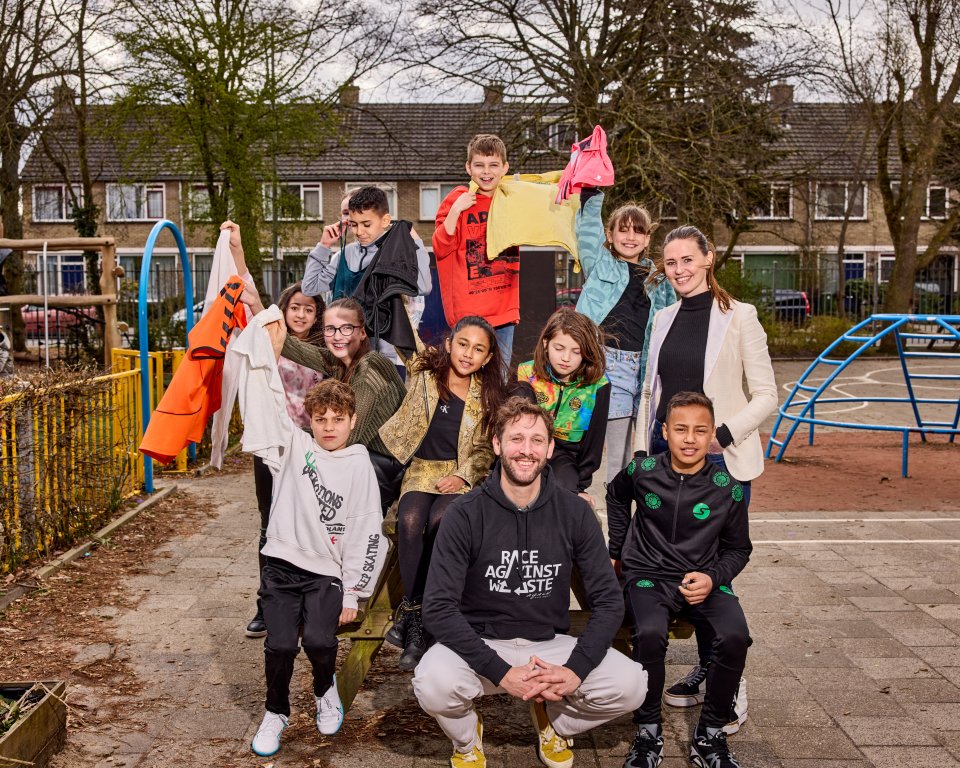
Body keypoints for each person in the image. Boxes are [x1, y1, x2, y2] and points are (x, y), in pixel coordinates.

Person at [413, 396, 647, 768]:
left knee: (632, 684)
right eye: (516, 439)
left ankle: (556, 722)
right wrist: (502, 674)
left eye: (537, 440)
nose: (526, 450)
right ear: (497, 444)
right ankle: (466, 739)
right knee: (431, 682)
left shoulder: (574, 512)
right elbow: (438, 609)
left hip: (547, 645)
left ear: (551, 448)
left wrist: (575, 671)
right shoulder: (464, 514)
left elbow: (608, 601)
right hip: (482, 642)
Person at [634, 224, 776, 733]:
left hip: (719, 462)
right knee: (673, 570)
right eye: (670, 263)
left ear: (709, 258)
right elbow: (652, 395)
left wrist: (722, 433)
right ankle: (708, 666)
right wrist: (641, 455)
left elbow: (766, 394)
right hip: (665, 462)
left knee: (714, 579)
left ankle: (728, 684)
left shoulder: (741, 317)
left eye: (688, 260)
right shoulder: (665, 316)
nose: (679, 270)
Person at [231, 307, 387, 758]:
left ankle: (325, 690)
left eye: (339, 419)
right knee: (279, 644)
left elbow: (366, 531)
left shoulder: (360, 464)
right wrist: (264, 334)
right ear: (310, 419)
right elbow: (265, 402)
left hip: (327, 573)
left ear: (352, 421)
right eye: (322, 419)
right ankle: (275, 711)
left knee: (320, 640)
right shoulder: (294, 447)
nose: (330, 427)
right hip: (281, 566)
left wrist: (355, 592)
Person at [608, 391, 752, 768]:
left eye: (700, 431)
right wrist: (619, 548)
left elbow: (739, 550)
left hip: (703, 578)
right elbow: (615, 495)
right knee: (650, 634)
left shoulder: (728, 487)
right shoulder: (642, 471)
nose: (690, 438)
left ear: (711, 436)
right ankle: (648, 732)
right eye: (681, 429)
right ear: (665, 431)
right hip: (647, 576)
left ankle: (710, 735)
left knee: (735, 636)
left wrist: (711, 576)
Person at [378, 316, 506, 670]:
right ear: (449, 344)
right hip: (421, 469)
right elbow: (403, 331)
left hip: (459, 472)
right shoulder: (424, 371)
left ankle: (429, 610)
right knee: (410, 519)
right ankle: (415, 614)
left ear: (489, 357)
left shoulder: (487, 393)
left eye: (478, 349)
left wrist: (464, 477)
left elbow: (484, 449)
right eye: (462, 344)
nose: (468, 354)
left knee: (442, 519)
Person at [574, 190, 675, 485]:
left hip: (644, 371)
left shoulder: (658, 277)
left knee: (643, 451)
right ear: (610, 234)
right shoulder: (600, 264)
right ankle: (617, 520)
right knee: (618, 455)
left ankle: (641, 515)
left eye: (639, 231)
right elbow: (587, 233)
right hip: (610, 365)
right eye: (623, 230)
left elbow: (667, 321)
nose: (631, 237)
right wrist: (592, 196)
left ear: (647, 238)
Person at [246, 281, 326, 639]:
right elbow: (250, 297)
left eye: (309, 309)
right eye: (296, 307)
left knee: (308, 522)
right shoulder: (271, 337)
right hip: (274, 444)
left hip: (310, 448)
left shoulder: (326, 349)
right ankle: (267, 603)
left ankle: (306, 600)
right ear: (285, 308)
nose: (301, 314)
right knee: (270, 523)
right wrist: (233, 247)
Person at [302, 186, 432, 376]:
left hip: (386, 357)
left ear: (384, 220)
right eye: (352, 223)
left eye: (366, 224)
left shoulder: (394, 255)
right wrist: (323, 246)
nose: (358, 231)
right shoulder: (343, 255)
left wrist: (416, 244)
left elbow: (423, 286)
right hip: (346, 353)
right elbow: (310, 286)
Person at [433, 133, 520, 368]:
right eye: (479, 165)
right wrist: (456, 211)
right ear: (468, 168)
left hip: (503, 311)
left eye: (493, 165)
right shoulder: (458, 199)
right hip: (468, 313)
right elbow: (440, 247)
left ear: (505, 168)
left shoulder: (512, 200)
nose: (486, 172)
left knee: (498, 383)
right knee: (465, 382)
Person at [514, 308, 610, 501]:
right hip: (529, 448)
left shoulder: (597, 386)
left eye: (576, 352)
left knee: (563, 495)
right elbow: (517, 425)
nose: (566, 358)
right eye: (559, 348)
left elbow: (594, 441)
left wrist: (581, 484)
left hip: (566, 455)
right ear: (546, 343)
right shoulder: (526, 373)